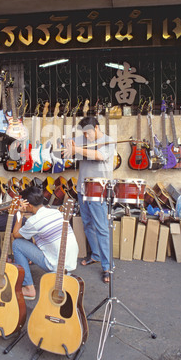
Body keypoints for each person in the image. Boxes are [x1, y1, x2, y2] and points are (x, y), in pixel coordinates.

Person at [64, 115, 115, 284]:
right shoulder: (82, 141)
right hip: (82, 188)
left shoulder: (109, 141)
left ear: (97, 128)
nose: (86, 136)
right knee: (87, 224)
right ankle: (96, 255)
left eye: (88, 133)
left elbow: (100, 156)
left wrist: (78, 149)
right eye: (84, 134)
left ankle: (108, 266)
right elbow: (69, 155)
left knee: (101, 228)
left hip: (98, 189)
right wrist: (68, 148)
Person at [12, 185, 78, 300]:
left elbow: (16, 234)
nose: (21, 204)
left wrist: (20, 213)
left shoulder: (34, 221)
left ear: (30, 206)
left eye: (23, 202)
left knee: (17, 244)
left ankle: (29, 288)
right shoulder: (56, 212)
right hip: (70, 262)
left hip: (55, 264)